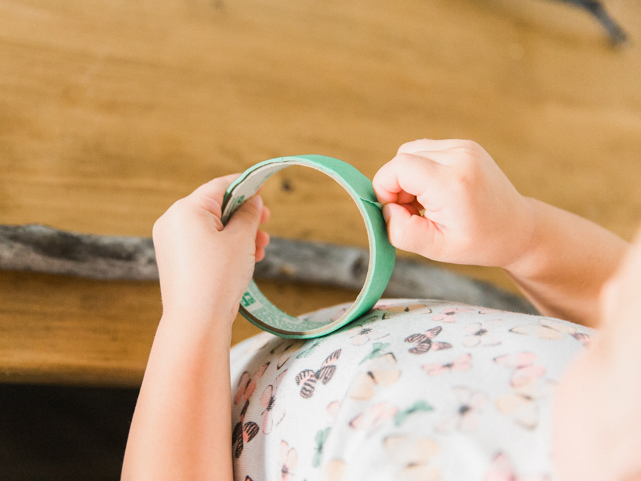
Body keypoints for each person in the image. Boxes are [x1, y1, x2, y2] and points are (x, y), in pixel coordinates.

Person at [121, 140, 639, 480]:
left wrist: (192, 316)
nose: (613, 295)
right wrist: (526, 235)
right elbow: (610, 301)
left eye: (610, 345)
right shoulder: (612, 428)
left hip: (184, 427)